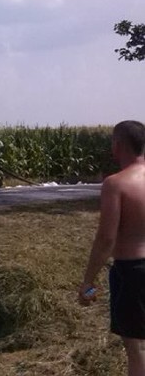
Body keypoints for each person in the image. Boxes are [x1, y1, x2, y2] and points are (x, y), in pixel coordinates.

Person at [79, 120, 145, 375]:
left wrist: (88, 283)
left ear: (117, 146)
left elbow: (106, 238)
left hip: (133, 273)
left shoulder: (116, 184)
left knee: (138, 348)